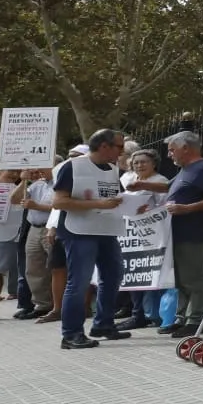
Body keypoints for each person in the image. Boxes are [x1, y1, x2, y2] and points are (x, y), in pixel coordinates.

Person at [50, 130, 131, 349]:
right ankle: (71, 334)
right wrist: (98, 204)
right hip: (78, 232)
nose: (122, 151)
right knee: (79, 282)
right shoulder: (72, 166)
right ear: (104, 146)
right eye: (119, 147)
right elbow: (59, 202)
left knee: (113, 277)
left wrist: (135, 206)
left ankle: (103, 324)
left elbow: (118, 199)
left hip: (106, 230)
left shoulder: (114, 170)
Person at [160, 132, 203, 336]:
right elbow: (166, 187)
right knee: (181, 279)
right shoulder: (184, 171)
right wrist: (140, 186)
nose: (170, 155)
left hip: (193, 233)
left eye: (172, 150)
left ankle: (196, 320)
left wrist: (188, 208)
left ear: (186, 148)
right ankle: (182, 318)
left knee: (194, 278)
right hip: (178, 234)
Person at [118, 149, 171, 330]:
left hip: (153, 236)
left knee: (150, 274)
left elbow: (165, 207)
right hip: (132, 236)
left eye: (143, 162)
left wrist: (148, 211)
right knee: (134, 275)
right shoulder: (129, 181)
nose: (139, 165)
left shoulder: (160, 181)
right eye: (136, 163)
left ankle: (153, 314)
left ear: (154, 163)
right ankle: (137, 313)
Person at [0, 169, 26, 321]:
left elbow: (15, 200)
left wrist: (24, 180)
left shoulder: (24, 188)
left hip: (4, 237)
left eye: (18, 171)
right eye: (11, 171)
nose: (14, 174)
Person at [17, 164, 55, 320]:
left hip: (50, 228)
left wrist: (36, 206)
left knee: (55, 267)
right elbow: (15, 199)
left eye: (42, 167)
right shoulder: (37, 185)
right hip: (34, 228)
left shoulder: (60, 184)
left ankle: (59, 304)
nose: (38, 171)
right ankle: (42, 304)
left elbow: (60, 207)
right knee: (34, 268)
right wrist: (23, 181)